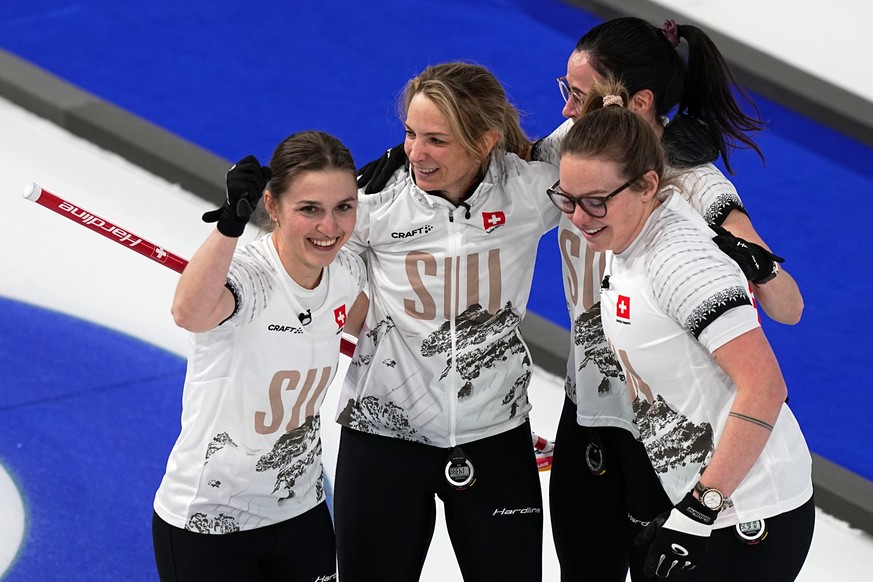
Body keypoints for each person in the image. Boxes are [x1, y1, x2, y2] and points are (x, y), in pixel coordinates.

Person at [532, 17, 805, 581]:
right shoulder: (573, 148)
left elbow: (787, 308)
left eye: (578, 96)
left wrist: (751, 257)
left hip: (661, 435)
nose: (566, 111)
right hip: (591, 400)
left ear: (637, 101)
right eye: (566, 92)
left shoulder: (695, 187)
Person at [332, 61, 560, 581]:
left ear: (485, 141)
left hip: (495, 434)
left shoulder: (529, 190)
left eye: (436, 139)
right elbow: (294, 263)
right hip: (383, 436)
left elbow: (603, 147)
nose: (415, 153)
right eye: (410, 134)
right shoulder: (373, 204)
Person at [151, 131, 368, 581]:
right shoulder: (250, 276)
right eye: (309, 209)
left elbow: (384, 331)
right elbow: (188, 313)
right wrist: (229, 222)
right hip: (210, 521)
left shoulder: (346, 270)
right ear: (272, 206)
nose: (329, 228)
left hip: (301, 509)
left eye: (343, 207)